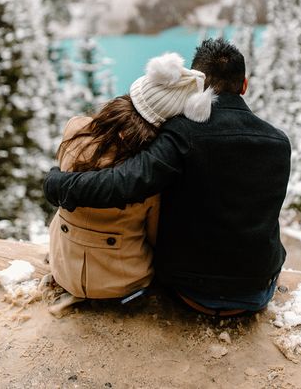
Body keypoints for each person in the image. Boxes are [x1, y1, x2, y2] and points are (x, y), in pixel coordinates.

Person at [44, 38, 291, 316]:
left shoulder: (182, 134)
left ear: (196, 85)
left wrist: (57, 183)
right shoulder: (279, 142)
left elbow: (123, 183)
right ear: (244, 86)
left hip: (191, 292)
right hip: (257, 290)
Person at [47, 52, 214, 314]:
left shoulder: (74, 129)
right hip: (121, 283)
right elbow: (155, 236)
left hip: (64, 270)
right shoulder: (149, 174)